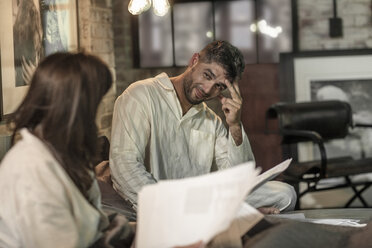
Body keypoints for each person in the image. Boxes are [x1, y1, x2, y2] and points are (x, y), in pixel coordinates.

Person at [109, 40, 296, 215]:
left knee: (285, 194)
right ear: (194, 60)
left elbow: (238, 179)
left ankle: (227, 214)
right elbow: (124, 165)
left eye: (219, 86)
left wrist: (235, 125)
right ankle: (231, 214)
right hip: (159, 203)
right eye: (207, 75)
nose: (207, 89)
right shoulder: (141, 95)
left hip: (199, 203)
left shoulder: (211, 121)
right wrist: (171, 208)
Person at [0, 52, 135, 248]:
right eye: (93, 106)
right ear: (74, 110)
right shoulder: (30, 169)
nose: (94, 119)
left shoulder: (66, 157)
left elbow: (97, 228)